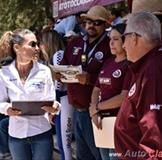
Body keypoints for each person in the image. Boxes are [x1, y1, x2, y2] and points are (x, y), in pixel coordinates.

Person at [115, 12, 162, 160]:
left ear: (134, 38)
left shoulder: (154, 73)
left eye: (124, 38)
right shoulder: (154, 66)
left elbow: (155, 142)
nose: (123, 45)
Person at [0, 29, 60, 160]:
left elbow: (51, 99)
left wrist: (56, 107)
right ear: (17, 48)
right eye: (32, 44)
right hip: (16, 135)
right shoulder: (4, 73)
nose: (37, 48)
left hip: (42, 133)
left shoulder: (44, 71)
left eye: (37, 44)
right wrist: (7, 109)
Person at [57, 5, 113, 159]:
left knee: (99, 156)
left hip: (97, 112)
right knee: (83, 156)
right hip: (76, 110)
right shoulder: (74, 42)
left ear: (105, 25)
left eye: (97, 23)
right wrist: (57, 73)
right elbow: (63, 64)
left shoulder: (110, 45)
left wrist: (91, 79)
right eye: (88, 21)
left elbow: (113, 80)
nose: (91, 25)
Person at [89, 23, 131, 160]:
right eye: (110, 39)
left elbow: (123, 97)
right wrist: (95, 112)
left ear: (125, 41)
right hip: (102, 123)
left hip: (119, 124)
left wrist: (96, 107)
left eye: (116, 39)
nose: (111, 43)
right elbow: (96, 90)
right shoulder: (108, 63)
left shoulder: (129, 65)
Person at [39, 30, 74, 160]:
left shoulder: (58, 54)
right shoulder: (55, 55)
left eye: (41, 43)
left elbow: (58, 84)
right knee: (62, 145)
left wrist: (53, 109)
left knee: (65, 145)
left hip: (64, 101)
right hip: (62, 102)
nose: (40, 47)